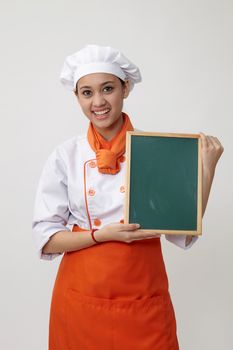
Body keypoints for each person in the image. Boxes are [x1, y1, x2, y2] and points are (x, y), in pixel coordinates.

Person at [32, 44, 224, 350]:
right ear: (77, 96)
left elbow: (183, 231)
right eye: (87, 92)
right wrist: (100, 235)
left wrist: (207, 170)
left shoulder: (155, 150)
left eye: (108, 89)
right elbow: (46, 237)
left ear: (126, 88)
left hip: (142, 297)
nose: (98, 102)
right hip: (81, 297)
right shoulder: (65, 155)